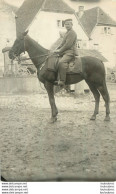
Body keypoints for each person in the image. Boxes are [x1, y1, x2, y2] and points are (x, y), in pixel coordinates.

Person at [54, 19, 78, 87]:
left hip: (70, 52)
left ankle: (62, 81)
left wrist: (59, 51)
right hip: (65, 52)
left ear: (72, 25)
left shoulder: (72, 33)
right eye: (65, 24)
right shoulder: (67, 33)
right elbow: (62, 43)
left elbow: (68, 45)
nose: (67, 25)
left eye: (68, 24)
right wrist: (56, 49)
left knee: (62, 62)